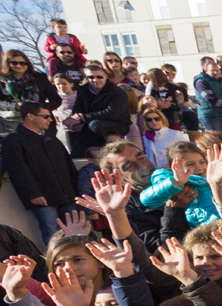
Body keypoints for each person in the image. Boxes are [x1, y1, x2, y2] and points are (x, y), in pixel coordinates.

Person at [2, 102, 80, 244]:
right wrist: (33, 193)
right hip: (43, 197)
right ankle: (54, 264)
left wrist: (77, 190)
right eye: (45, 116)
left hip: (67, 194)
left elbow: (69, 166)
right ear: (30, 116)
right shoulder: (13, 140)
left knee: (75, 232)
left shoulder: (51, 139)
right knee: (52, 233)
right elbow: (18, 170)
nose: (50, 120)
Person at [63, 61, 130, 158]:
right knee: (74, 129)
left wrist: (84, 117)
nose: (95, 80)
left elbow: (113, 113)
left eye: (99, 77)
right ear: (86, 78)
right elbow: (78, 107)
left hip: (117, 124)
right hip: (90, 124)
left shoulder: (117, 92)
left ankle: (99, 154)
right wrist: (76, 116)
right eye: (91, 77)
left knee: (94, 125)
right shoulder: (83, 90)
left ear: (105, 77)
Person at [139, 103, 189, 168]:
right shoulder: (146, 138)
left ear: (162, 119)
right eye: (149, 120)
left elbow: (187, 152)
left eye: (157, 119)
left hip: (172, 171)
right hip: (156, 173)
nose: (154, 122)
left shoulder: (174, 134)